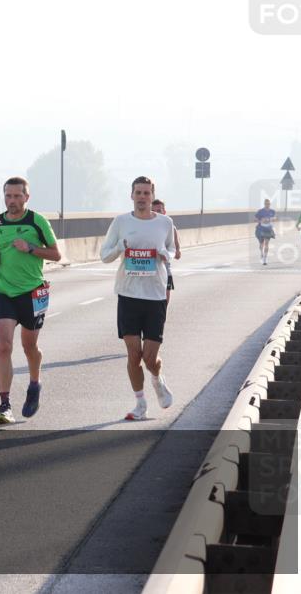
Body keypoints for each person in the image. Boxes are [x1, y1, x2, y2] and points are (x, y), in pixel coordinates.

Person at [101, 176, 176, 421]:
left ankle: (157, 379)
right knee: (134, 355)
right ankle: (140, 404)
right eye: (138, 192)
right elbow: (104, 255)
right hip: (128, 294)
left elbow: (172, 249)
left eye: (146, 193)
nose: (142, 197)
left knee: (150, 358)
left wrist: (165, 254)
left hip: (155, 296)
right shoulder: (121, 222)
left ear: (152, 196)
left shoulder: (165, 223)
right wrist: (119, 248)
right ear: (131, 195)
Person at [0, 177, 61, 425]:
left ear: (26, 197)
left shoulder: (37, 221)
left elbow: (56, 254)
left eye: (17, 196)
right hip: (5, 292)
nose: (12, 201)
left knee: (29, 346)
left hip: (32, 292)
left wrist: (30, 247)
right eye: (8, 196)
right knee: (4, 346)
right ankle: (5, 405)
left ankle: (34, 383)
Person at [151, 199, 181, 302]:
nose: (156, 213)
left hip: (165, 269)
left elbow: (178, 254)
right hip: (147, 270)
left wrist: (165, 254)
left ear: (164, 212)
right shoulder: (144, 227)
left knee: (164, 303)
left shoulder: (171, 228)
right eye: (153, 211)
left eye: (159, 211)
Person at [254, 199, 277, 265]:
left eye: (268, 204)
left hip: (268, 229)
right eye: (266, 204)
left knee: (267, 243)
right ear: (264, 204)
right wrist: (261, 220)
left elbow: (275, 218)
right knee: (261, 243)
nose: (267, 205)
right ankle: (261, 253)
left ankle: (265, 259)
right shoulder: (260, 211)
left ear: (270, 204)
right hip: (260, 229)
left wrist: (272, 219)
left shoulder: (272, 211)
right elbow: (255, 219)